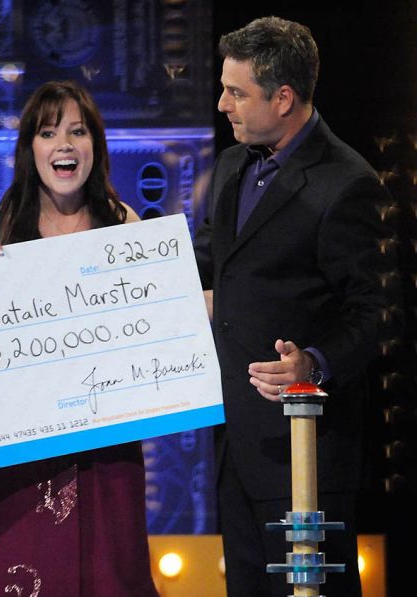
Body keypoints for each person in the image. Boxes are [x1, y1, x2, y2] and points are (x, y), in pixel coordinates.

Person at [194, 16, 398, 597]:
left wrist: (313, 363)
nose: (222, 104)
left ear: (283, 98)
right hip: (237, 449)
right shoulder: (232, 165)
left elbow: (376, 312)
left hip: (306, 451)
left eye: (236, 93)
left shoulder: (346, 182)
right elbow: (201, 265)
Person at [0, 80, 159, 596]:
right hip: (17, 454)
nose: (64, 145)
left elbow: (155, 331)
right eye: (48, 133)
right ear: (30, 148)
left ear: (96, 144)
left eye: (78, 131)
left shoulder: (124, 226)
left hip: (106, 447)